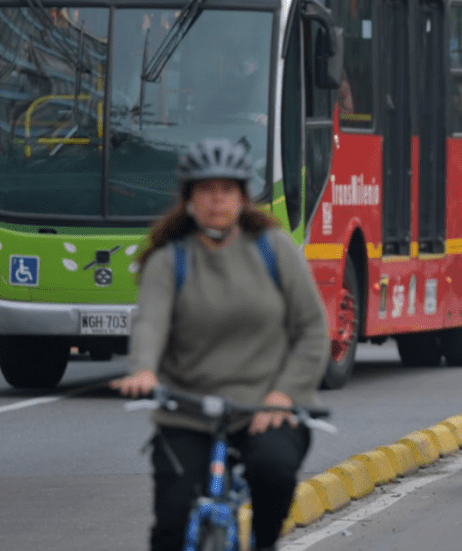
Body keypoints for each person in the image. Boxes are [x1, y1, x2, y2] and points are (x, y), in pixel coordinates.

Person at [110, 139, 328, 551]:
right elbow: (151, 322)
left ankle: (265, 543)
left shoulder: (273, 249)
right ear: (188, 198)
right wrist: (143, 370)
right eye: (205, 189)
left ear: (243, 197)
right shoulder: (169, 258)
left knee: (274, 471)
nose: (216, 200)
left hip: (264, 406)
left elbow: (313, 329)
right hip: (186, 409)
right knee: (170, 522)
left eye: (227, 189)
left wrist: (283, 395)